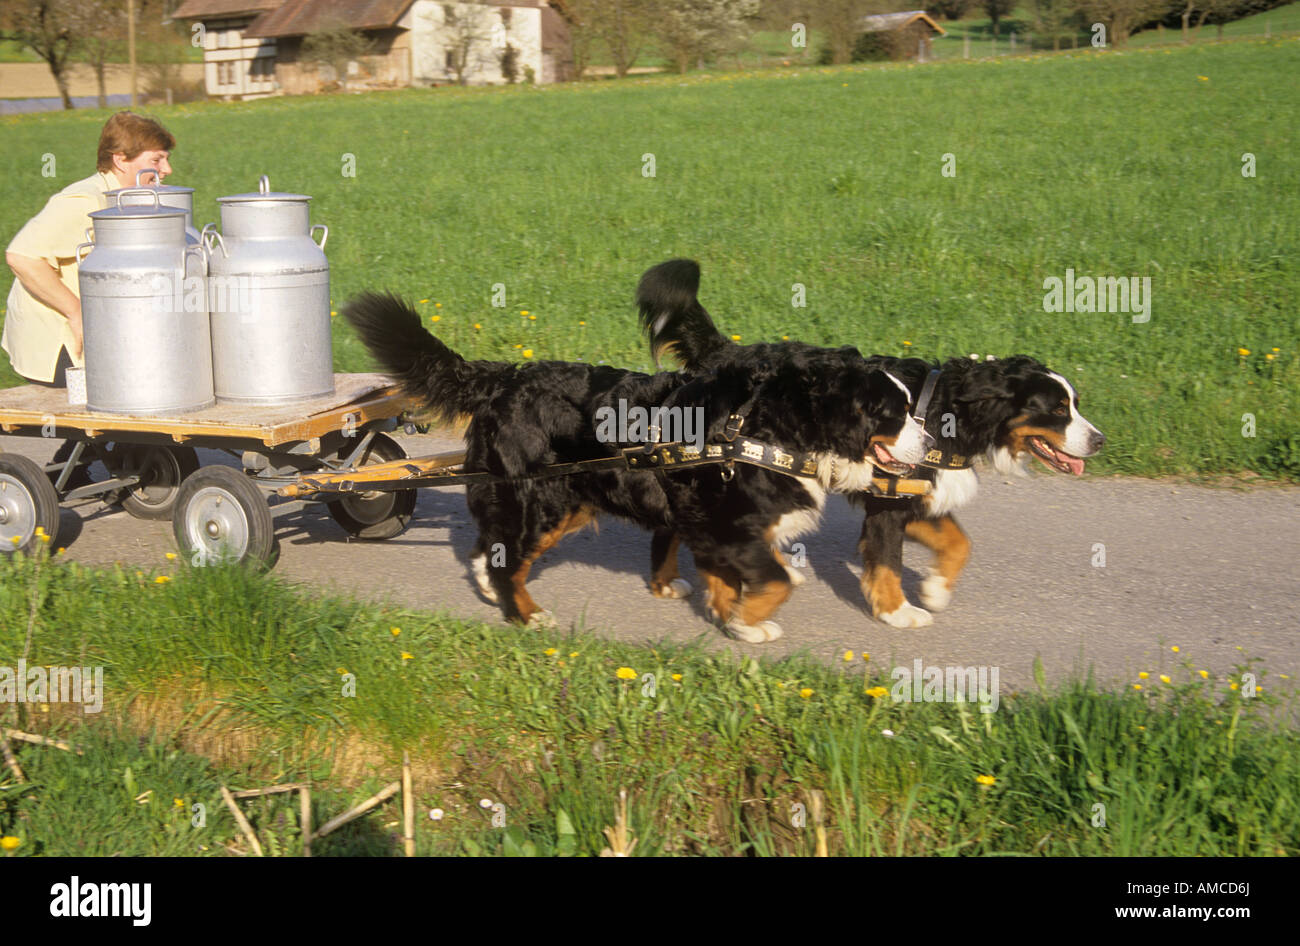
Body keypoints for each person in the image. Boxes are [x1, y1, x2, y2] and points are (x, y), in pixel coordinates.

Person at [3, 111, 176, 488]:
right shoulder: (82, 200)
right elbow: (20, 255)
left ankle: (115, 468)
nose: (168, 169)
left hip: (93, 331)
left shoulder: (126, 199)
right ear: (121, 160)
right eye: (156, 160)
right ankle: (61, 481)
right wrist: (75, 310)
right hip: (53, 340)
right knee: (132, 384)